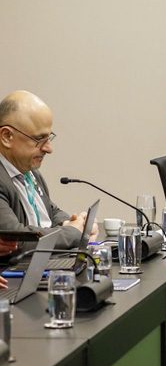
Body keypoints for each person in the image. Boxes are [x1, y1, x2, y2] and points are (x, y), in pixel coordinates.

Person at [0, 91, 95, 288]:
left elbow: (51, 212)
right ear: (7, 136)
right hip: (14, 281)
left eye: (49, 137)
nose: (48, 148)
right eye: (39, 139)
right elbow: (19, 240)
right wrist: (73, 232)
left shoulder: (29, 171)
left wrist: (74, 222)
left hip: (39, 272)